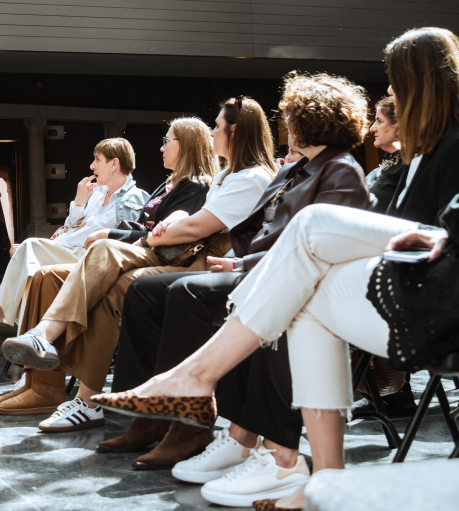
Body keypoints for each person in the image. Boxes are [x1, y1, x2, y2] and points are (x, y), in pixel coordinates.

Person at [92, 0, 459, 511]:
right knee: (309, 284)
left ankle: (215, 394)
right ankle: (313, 476)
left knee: (313, 231)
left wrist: (420, 235)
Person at [101, 74, 372, 474]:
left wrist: (243, 265)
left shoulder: (340, 171)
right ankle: (151, 415)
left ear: (309, 120)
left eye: (291, 117)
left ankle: (188, 424)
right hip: (258, 271)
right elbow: (266, 235)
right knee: (145, 291)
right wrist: (241, 263)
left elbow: (319, 248)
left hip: (289, 282)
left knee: (187, 293)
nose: (285, 125)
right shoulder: (296, 171)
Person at [0, 117, 218, 421]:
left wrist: (111, 235)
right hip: (137, 252)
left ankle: (46, 336)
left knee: (101, 248)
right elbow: (144, 227)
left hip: (158, 259)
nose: (162, 147)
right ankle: (42, 388)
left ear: (188, 145)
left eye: (168, 141)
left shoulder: (196, 186)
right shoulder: (168, 185)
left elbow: (169, 234)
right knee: (43, 276)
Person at [0, 138, 150, 356]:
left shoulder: (136, 198)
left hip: (92, 262)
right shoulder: (96, 194)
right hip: (66, 253)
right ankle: (29, 359)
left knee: (28, 248)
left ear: (114, 164)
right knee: (32, 270)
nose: (92, 166)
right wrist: (78, 202)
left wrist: (42, 247)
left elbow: (130, 243)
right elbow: (69, 229)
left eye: (97, 160)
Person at [365, 96, 403, 214]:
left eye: (379, 121)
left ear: (399, 126)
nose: (372, 128)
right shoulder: (381, 168)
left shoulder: (410, 167)